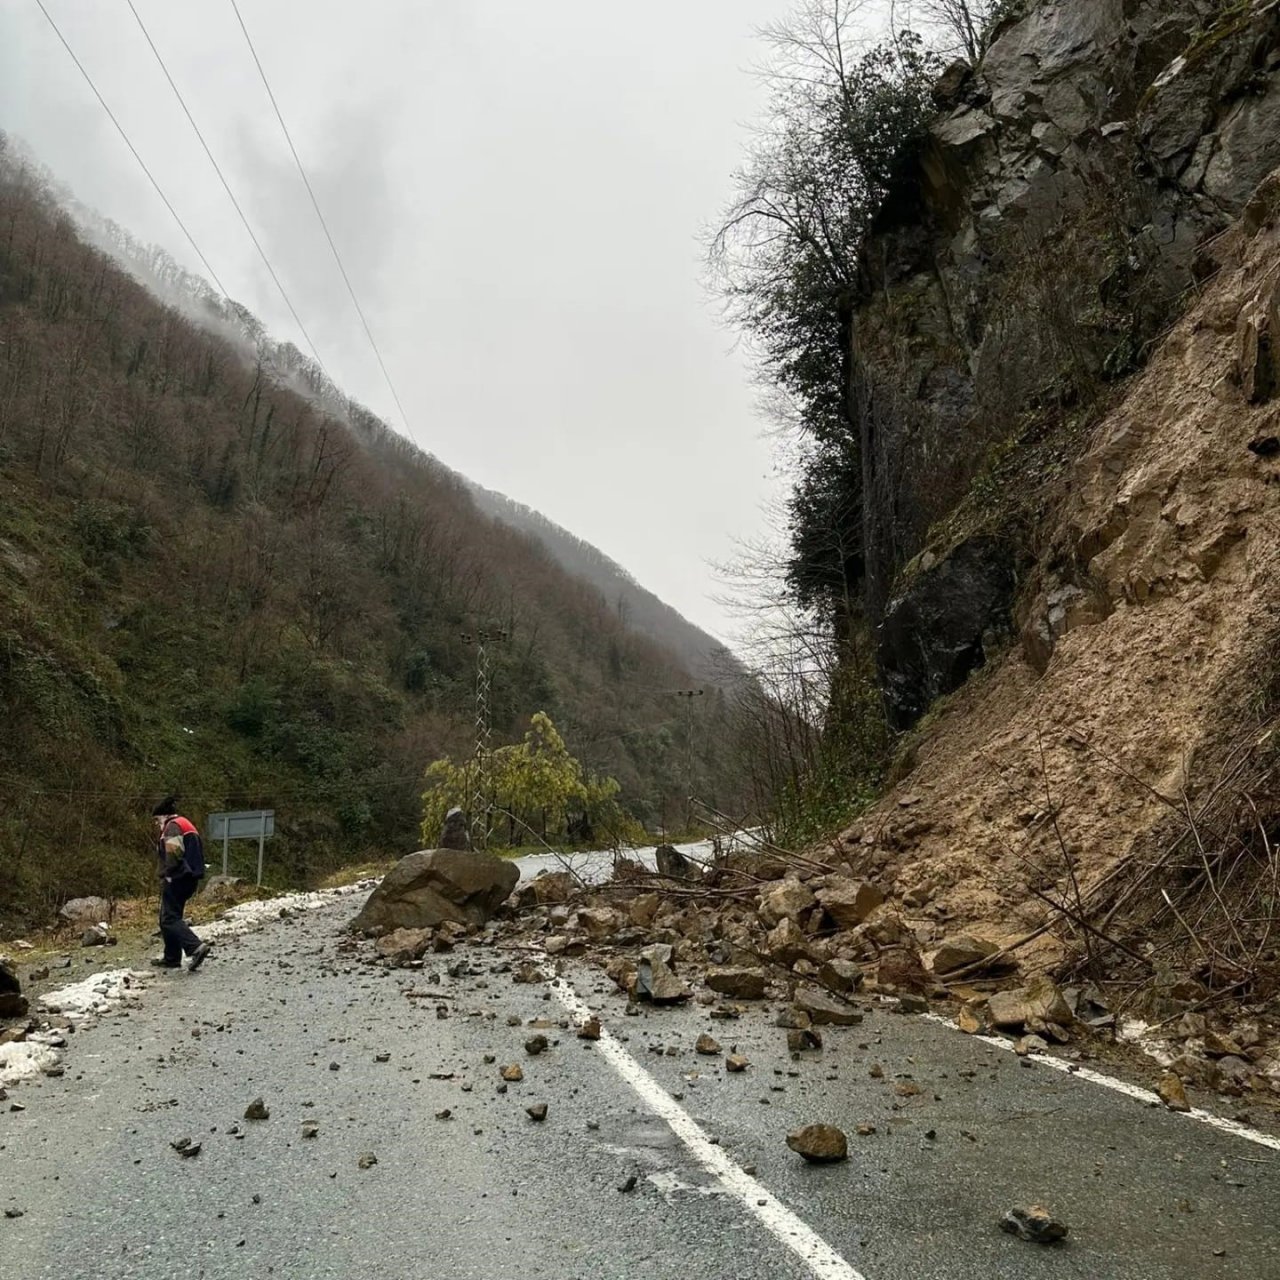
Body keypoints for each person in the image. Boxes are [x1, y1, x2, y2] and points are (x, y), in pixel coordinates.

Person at [151, 797, 211, 971]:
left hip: (178, 877)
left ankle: (195, 947)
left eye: (157, 819)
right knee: (168, 917)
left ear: (164, 816)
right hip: (189, 877)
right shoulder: (184, 823)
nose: (157, 824)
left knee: (169, 918)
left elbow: (174, 852)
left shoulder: (172, 826)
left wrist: (168, 874)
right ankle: (171, 957)